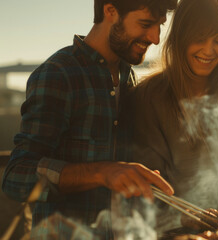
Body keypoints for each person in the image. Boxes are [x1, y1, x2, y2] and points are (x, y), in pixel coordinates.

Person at [1, 0, 177, 238]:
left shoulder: (129, 78)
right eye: (145, 24)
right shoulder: (58, 73)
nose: (155, 38)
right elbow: (16, 177)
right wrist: (101, 172)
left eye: (159, 26)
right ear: (110, 11)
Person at [131, 0, 218, 230]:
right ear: (180, 38)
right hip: (167, 233)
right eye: (199, 39)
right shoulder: (149, 96)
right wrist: (180, 219)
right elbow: (145, 190)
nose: (209, 50)